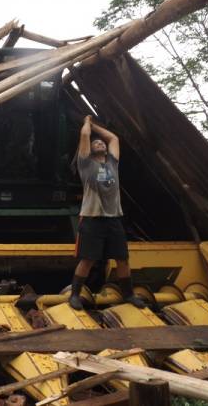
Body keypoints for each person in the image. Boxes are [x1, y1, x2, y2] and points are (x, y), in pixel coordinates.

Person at [69, 116, 145, 310]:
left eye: (101, 142)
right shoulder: (85, 164)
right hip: (92, 219)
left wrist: (96, 126)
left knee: (122, 258)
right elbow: (85, 135)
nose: (100, 142)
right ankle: (75, 295)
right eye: (96, 143)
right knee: (88, 259)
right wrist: (87, 123)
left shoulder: (112, 162)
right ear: (89, 150)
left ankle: (128, 294)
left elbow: (113, 139)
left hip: (113, 219)